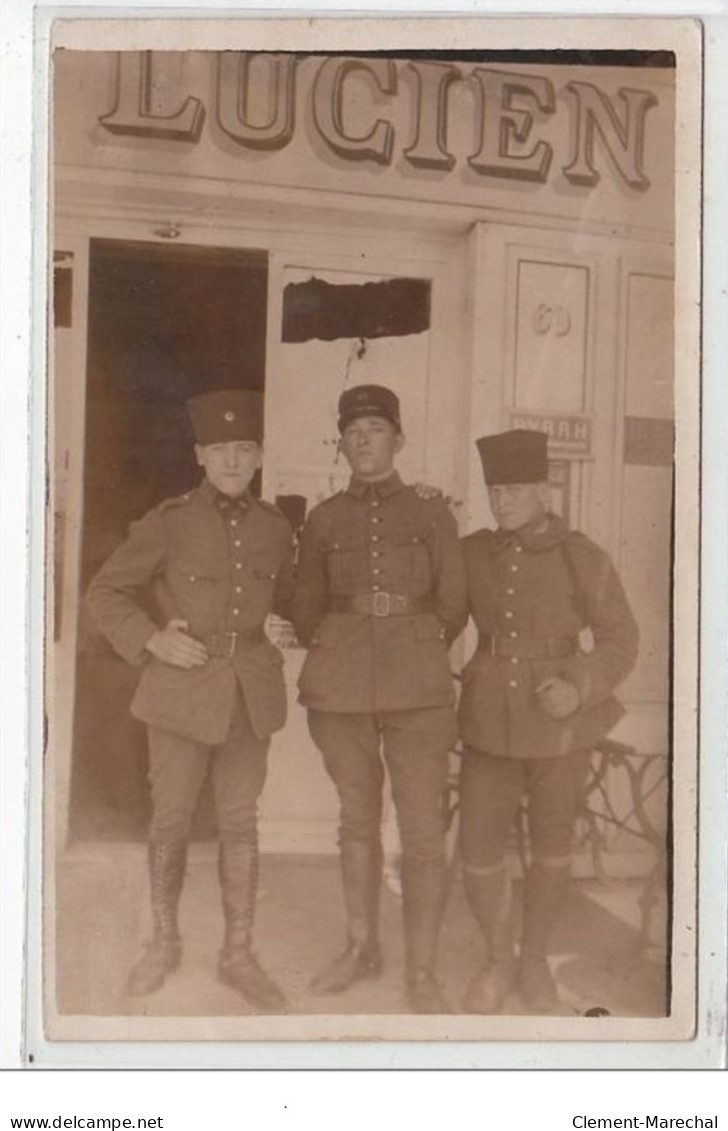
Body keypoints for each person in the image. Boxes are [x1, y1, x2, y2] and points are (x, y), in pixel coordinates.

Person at [86, 389, 294, 1011]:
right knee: (171, 819)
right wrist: (151, 640)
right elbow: (104, 593)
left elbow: (289, 599)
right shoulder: (169, 521)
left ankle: (238, 951)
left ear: (257, 456)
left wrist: (285, 623)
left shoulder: (277, 529)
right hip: (179, 690)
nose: (232, 460)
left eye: (244, 449)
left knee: (240, 823)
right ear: (200, 455)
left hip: (249, 692)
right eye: (220, 449)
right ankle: (163, 941)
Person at [292, 384, 468, 1014]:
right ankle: (361, 947)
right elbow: (305, 605)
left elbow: (453, 605)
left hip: (419, 690)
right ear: (341, 443)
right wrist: (346, 644)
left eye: (375, 429)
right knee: (356, 822)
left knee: (422, 833)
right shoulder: (323, 520)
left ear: (399, 440)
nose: (363, 439)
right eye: (353, 431)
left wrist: (411, 645)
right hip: (340, 690)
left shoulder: (430, 514)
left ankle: (422, 971)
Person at [457, 428, 639, 1014]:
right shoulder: (473, 552)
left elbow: (621, 638)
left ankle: (532, 958)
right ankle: (495, 957)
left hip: (559, 727)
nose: (502, 500)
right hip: (487, 721)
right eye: (494, 489)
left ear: (543, 488)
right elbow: (435, 616)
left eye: (514, 488)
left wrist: (579, 686)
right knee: (479, 846)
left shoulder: (580, 554)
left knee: (551, 845)